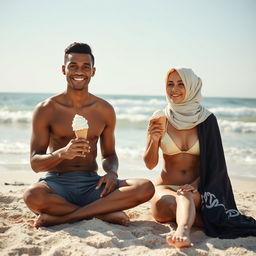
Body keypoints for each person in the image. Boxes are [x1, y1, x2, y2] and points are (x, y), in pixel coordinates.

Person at [23, 42, 155, 228]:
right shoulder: (46, 109)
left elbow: (109, 155)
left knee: (145, 187)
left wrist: (111, 172)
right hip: (57, 183)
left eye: (86, 66)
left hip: (93, 183)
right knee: (32, 195)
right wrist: (61, 153)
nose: (79, 71)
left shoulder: (104, 110)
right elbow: (35, 163)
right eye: (73, 66)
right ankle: (102, 213)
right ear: (63, 69)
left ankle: (64, 217)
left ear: (93, 71)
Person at [144, 67, 256, 248]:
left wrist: (195, 185)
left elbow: (215, 163)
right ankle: (203, 220)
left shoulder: (207, 119)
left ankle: (182, 231)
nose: (174, 89)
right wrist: (154, 139)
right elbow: (150, 164)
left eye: (181, 84)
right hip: (165, 187)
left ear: (192, 87)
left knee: (185, 195)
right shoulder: (159, 117)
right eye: (170, 84)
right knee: (174, 201)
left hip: (198, 187)